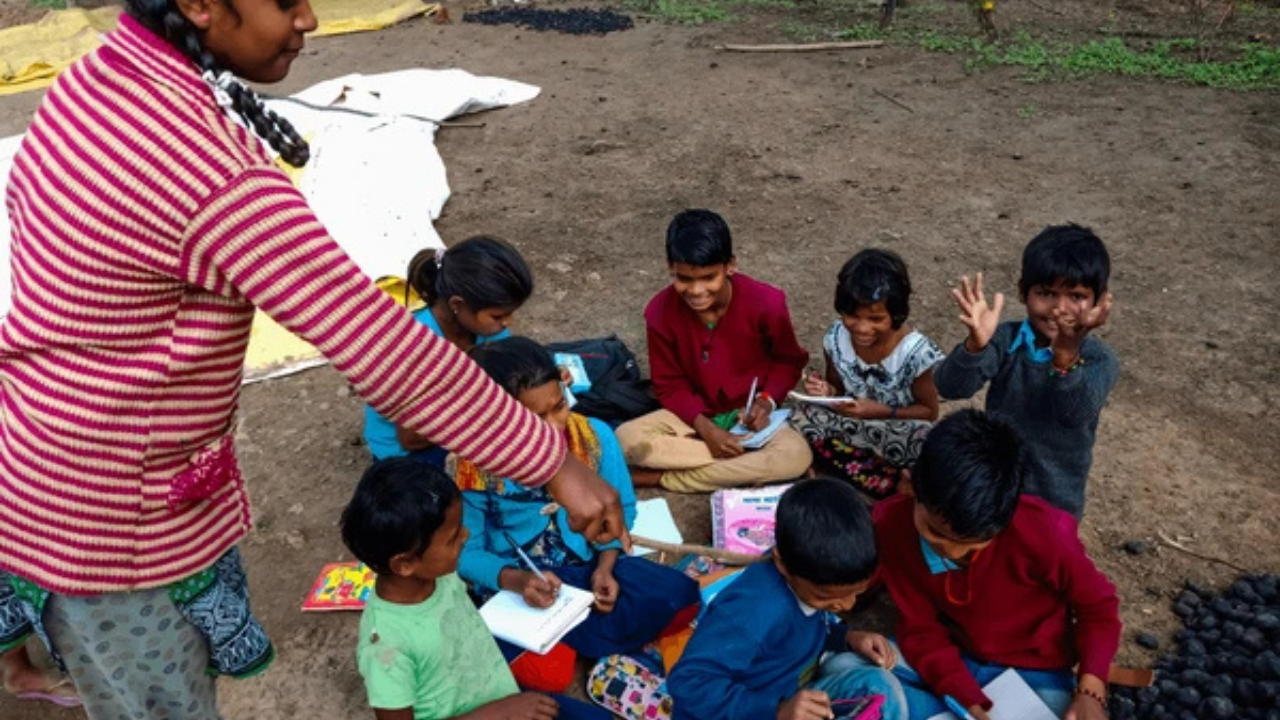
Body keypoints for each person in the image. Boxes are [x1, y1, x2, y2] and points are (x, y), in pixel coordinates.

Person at [0, 2, 625, 718]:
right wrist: (555, 463)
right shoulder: (198, 165)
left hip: (60, 460)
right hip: (110, 511)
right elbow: (376, 341)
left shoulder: (96, 83)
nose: (310, 19)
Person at [456, 338, 701, 662]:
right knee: (548, 672)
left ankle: (570, 641)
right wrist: (516, 580)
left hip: (584, 570)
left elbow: (621, 510)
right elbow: (465, 553)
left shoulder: (594, 437)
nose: (554, 426)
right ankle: (571, 645)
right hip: (518, 583)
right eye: (534, 418)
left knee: (678, 596)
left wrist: (605, 566)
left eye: (559, 406)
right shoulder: (473, 467)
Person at [873, 410, 1120, 720]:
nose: (949, 549)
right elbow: (921, 628)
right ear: (911, 486)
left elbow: (1097, 609)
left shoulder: (1044, 533)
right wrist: (964, 695)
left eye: (973, 543)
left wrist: (1090, 690)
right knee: (848, 668)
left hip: (1035, 672)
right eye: (934, 532)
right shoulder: (892, 526)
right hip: (954, 657)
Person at [342, 458, 613, 720]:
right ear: (404, 564)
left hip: (498, 696)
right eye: (452, 538)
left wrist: (520, 581)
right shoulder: (386, 644)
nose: (466, 535)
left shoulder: (437, 575)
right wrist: (497, 713)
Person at [667, 479, 906, 720]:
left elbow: (812, 624)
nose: (848, 605)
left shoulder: (805, 571)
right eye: (826, 597)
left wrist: (846, 638)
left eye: (856, 592)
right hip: (753, 710)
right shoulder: (752, 614)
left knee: (879, 681)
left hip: (789, 689)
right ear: (780, 561)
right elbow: (689, 683)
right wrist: (777, 710)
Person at [616, 209, 811, 492]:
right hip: (695, 417)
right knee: (627, 438)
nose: (696, 291)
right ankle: (742, 463)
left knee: (796, 455)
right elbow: (669, 385)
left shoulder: (766, 303)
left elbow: (788, 361)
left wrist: (766, 401)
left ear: (730, 266)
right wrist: (707, 430)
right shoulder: (659, 312)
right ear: (670, 267)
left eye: (708, 277)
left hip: (749, 420)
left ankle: (661, 477)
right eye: (684, 278)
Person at [933, 224, 1117, 517]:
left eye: (1076, 296)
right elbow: (950, 387)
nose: (1059, 308)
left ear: (1099, 300)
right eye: (1046, 293)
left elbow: (1073, 413)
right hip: (996, 489)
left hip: (1055, 502)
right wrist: (975, 346)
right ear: (1023, 291)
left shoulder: (1099, 359)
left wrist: (1065, 357)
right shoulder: (1006, 340)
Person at [363, 238, 533, 465]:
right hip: (408, 454)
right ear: (457, 304)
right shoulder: (414, 346)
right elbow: (411, 439)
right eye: (498, 316)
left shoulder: (487, 329)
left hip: (453, 421)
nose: (508, 322)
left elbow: (510, 367)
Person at [790, 249, 944, 499]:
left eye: (875, 318)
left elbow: (929, 412)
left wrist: (880, 411)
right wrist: (827, 392)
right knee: (801, 415)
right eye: (852, 316)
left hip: (896, 429)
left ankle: (849, 470)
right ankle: (888, 479)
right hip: (854, 426)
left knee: (928, 439)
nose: (862, 328)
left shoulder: (917, 354)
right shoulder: (836, 339)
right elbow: (838, 391)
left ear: (896, 314)